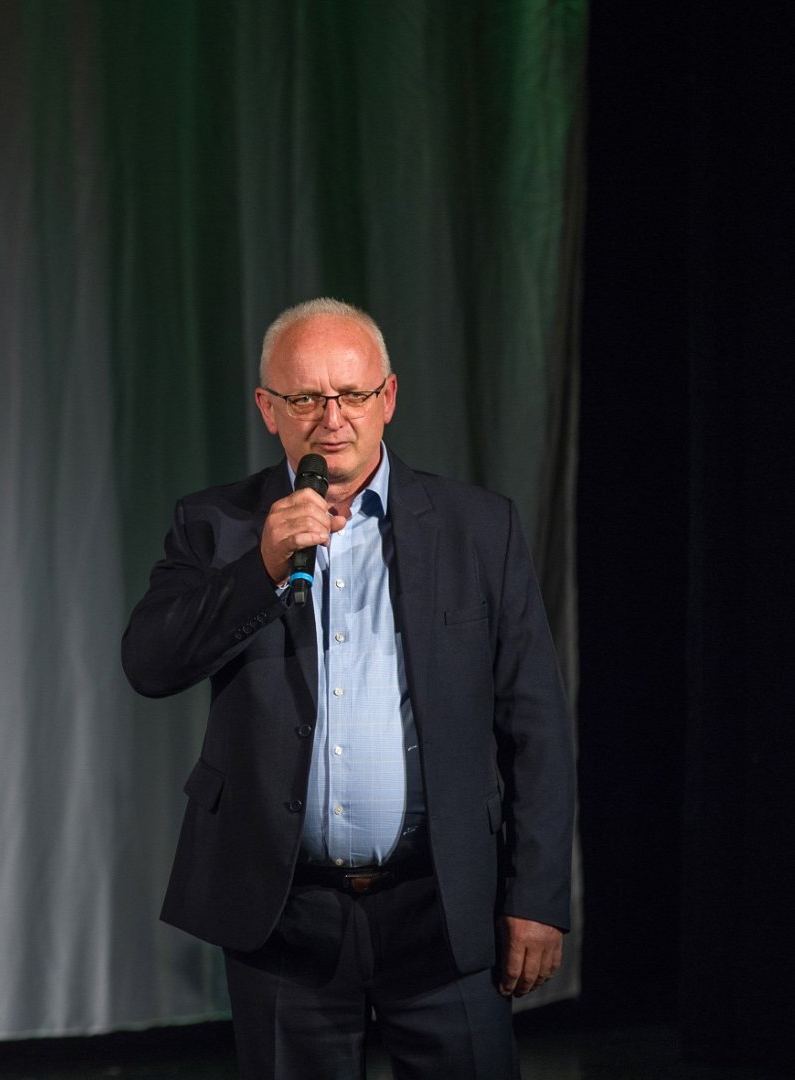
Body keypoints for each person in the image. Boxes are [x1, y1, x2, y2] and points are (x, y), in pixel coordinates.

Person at [121, 299, 574, 1078]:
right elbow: (150, 664)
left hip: (443, 907)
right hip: (284, 915)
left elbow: (535, 724)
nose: (331, 419)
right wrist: (260, 568)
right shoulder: (217, 525)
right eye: (305, 397)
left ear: (387, 398)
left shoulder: (477, 527)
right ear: (268, 408)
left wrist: (536, 895)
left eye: (352, 394)